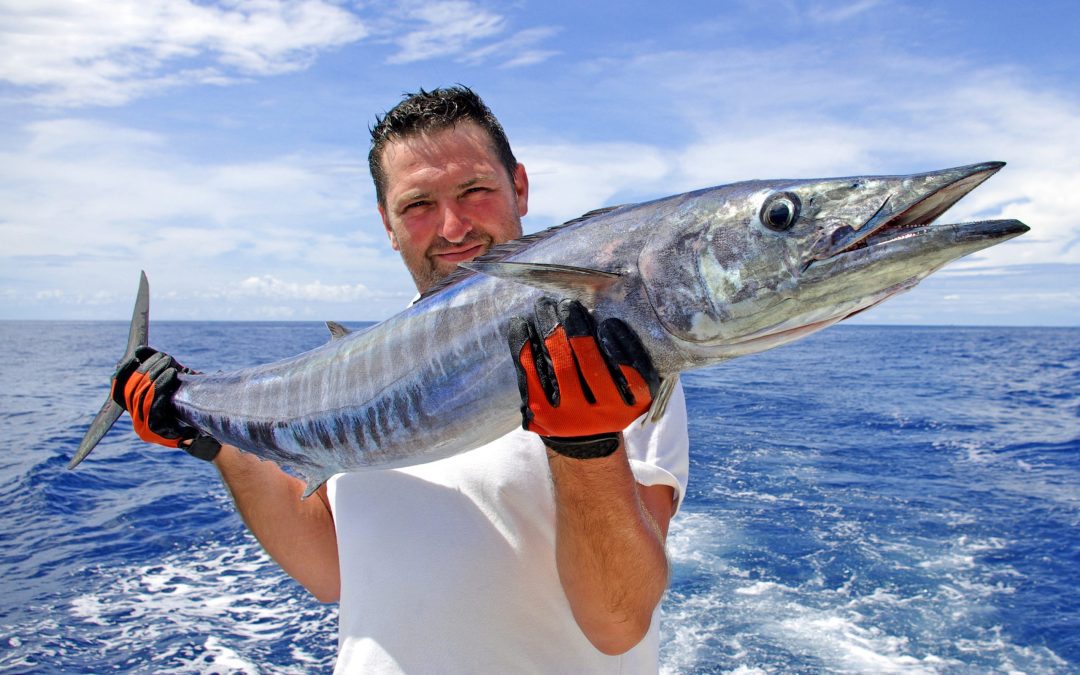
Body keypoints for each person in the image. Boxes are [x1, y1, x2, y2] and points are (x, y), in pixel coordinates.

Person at [111, 86, 690, 672]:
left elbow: (617, 625)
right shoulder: (358, 376)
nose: (453, 225)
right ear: (388, 226)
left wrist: (587, 447)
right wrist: (213, 443)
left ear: (519, 186)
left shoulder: (621, 368)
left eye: (475, 190)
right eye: (417, 205)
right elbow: (330, 570)